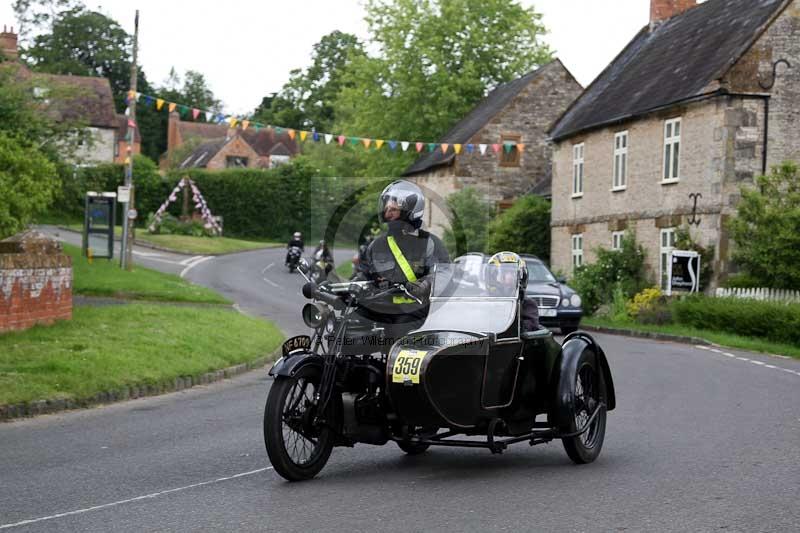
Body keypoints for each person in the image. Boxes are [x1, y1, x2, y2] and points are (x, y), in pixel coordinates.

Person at [357, 180, 450, 317]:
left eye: (393, 210)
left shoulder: (429, 243)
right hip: (381, 307)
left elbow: (444, 273)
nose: (388, 214)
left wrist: (427, 284)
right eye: (387, 209)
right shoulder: (376, 245)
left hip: (416, 310)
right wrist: (352, 285)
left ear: (411, 212)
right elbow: (364, 274)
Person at [487, 251, 539, 333]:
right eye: (504, 272)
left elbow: (531, 327)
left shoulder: (527, 303)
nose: (509, 276)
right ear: (494, 276)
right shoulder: (484, 301)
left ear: (520, 276)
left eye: (512, 273)